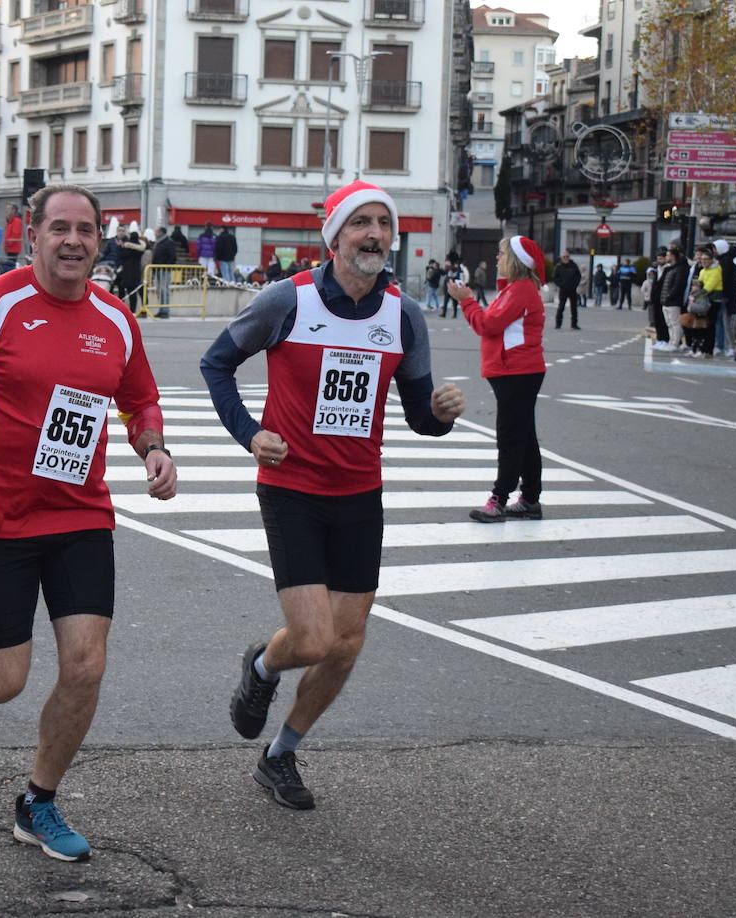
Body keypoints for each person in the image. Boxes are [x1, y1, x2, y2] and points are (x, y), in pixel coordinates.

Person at [0, 183, 177, 862]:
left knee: (86, 666)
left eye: (86, 230)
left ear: (99, 241)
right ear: (32, 237)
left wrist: (154, 447)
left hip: (82, 516)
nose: (73, 241)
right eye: (59, 228)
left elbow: (140, 396)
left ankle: (38, 801)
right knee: (4, 685)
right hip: (0, 520)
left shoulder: (116, 319)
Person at [199, 180, 464, 810]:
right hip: (291, 487)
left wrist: (441, 412)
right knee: (313, 639)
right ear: (335, 236)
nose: (374, 234)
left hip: (358, 493)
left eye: (383, 224)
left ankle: (280, 755)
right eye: (360, 223)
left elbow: (420, 419)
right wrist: (251, 433)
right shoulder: (285, 301)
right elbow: (217, 365)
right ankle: (263, 666)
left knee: (347, 643)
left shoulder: (403, 315)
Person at [449, 236, 547, 522]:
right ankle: (529, 498)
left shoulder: (520, 290)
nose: (497, 258)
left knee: (510, 438)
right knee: (524, 437)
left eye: (502, 253)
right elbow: (489, 324)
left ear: (516, 260)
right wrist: (469, 301)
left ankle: (498, 501)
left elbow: (487, 324)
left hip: (517, 371)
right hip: (516, 371)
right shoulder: (515, 289)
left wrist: (466, 300)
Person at [115, 230, 146, 314]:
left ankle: (125, 309)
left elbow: (121, 255)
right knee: (135, 292)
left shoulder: (127, 246)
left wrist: (120, 246)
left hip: (127, 272)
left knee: (128, 291)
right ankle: (134, 310)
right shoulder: (140, 248)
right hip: (137, 271)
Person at [150, 226, 176, 318]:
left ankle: (165, 310)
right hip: (157, 270)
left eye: (156, 232)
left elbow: (172, 257)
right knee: (160, 291)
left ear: (161, 232)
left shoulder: (168, 242)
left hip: (164, 270)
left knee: (164, 290)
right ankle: (161, 309)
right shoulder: (158, 242)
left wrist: (165, 266)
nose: (155, 233)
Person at [552, 250, 581, 330]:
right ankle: (558, 324)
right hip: (563, 290)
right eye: (564, 257)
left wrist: (574, 284)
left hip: (572, 290)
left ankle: (574, 324)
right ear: (561, 257)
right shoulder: (558, 266)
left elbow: (578, 276)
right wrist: (561, 285)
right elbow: (555, 278)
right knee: (561, 307)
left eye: (567, 256)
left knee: (574, 307)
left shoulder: (574, 265)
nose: (566, 258)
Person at [1, 203, 23, 276]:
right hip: (10, 248)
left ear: (13, 210)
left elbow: (15, 235)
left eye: (8, 209)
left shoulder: (16, 221)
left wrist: (7, 245)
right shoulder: (10, 222)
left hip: (13, 249)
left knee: (10, 268)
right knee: (9, 267)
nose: (6, 211)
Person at [441, 253, 465, 318]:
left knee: (454, 302)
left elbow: (460, 279)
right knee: (445, 301)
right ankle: (444, 313)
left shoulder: (459, 270)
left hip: (454, 288)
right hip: (448, 288)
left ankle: (455, 314)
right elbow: (443, 273)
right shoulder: (449, 269)